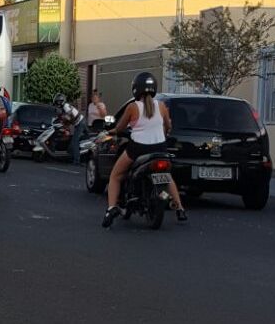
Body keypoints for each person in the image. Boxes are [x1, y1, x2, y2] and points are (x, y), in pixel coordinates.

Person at [102, 72, 187, 228]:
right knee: (167, 177)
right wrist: (163, 133)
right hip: (160, 148)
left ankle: (111, 207)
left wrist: (111, 131)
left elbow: (120, 128)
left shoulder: (132, 107)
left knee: (115, 175)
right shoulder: (161, 106)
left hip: (138, 149)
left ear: (136, 89)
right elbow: (168, 127)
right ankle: (180, 208)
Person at [52, 93, 88, 164]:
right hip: (80, 123)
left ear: (61, 101)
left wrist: (64, 120)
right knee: (82, 138)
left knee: (75, 141)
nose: (57, 103)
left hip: (80, 123)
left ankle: (76, 161)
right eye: (57, 102)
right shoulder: (65, 107)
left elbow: (70, 116)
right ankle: (77, 157)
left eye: (58, 101)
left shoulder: (66, 106)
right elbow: (69, 119)